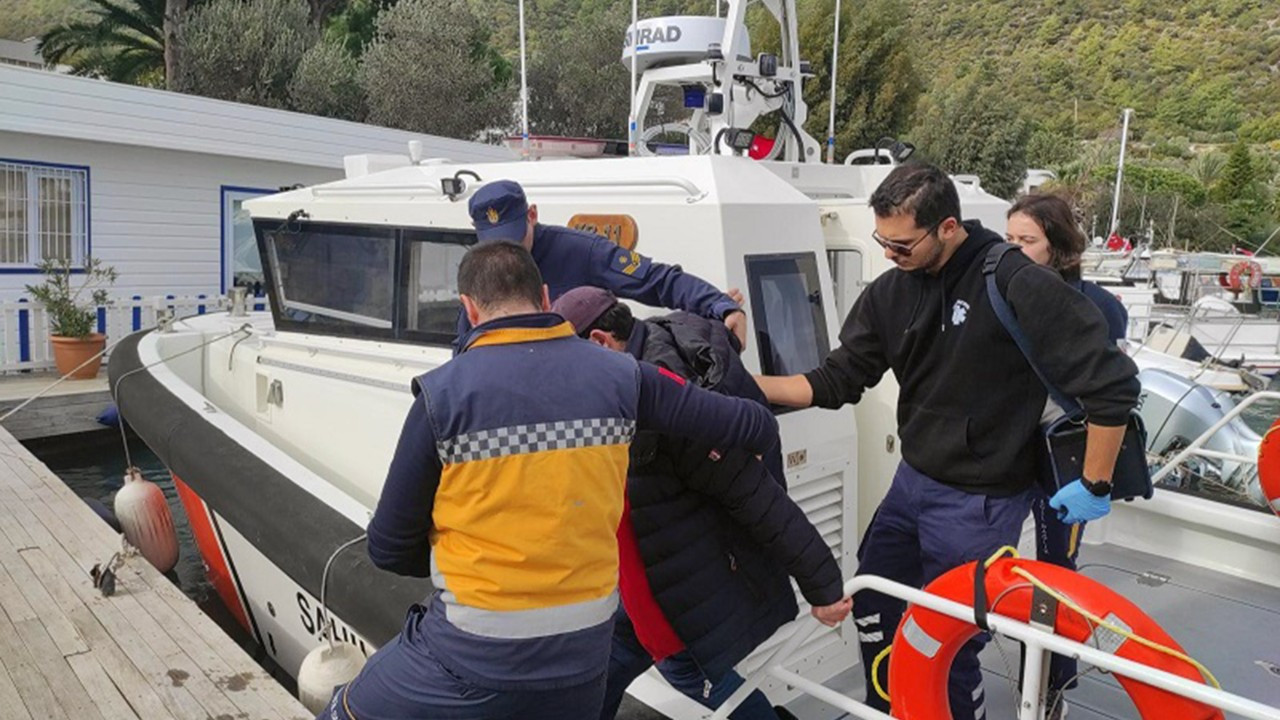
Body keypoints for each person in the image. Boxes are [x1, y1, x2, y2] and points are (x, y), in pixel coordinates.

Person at [322, 242, 781, 720]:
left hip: (472, 655)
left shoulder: (443, 394)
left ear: (469, 308)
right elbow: (755, 424)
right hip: (584, 662)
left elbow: (388, 548)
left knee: (345, 709)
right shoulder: (625, 376)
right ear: (544, 297)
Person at [753, 163, 1140, 718]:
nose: (889, 254)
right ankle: (895, 707)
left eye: (903, 244)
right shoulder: (891, 292)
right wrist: (745, 385)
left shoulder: (1016, 282)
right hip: (911, 485)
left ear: (949, 228)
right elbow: (836, 380)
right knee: (873, 600)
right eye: (882, 240)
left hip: (981, 501)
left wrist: (1094, 483)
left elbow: (1113, 387)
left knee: (949, 638)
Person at [552, 287, 853, 720]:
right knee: (607, 661)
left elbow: (754, 495)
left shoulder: (664, 401)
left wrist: (823, 587)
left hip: (674, 594)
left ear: (601, 341)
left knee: (694, 677)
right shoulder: (650, 342)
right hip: (639, 578)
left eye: (567, 363)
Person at [1006, 192, 1130, 717]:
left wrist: (1097, 479)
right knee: (987, 561)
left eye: (1026, 241)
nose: (1013, 251)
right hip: (1005, 451)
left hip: (1064, 462)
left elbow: (1111, 388)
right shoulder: (1000, 294)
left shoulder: (1102, 308)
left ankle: (1050, 685)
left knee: (1058, 569)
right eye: (1007, 240)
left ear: (1058, 247)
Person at [465, 179, 748, 349]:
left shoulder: (581, 251)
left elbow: (656, 279)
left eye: (514, 239)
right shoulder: (480, 268)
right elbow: (464, 343)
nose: (507, 252)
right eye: (495, 242)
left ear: (532, 215)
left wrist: (720, 306)